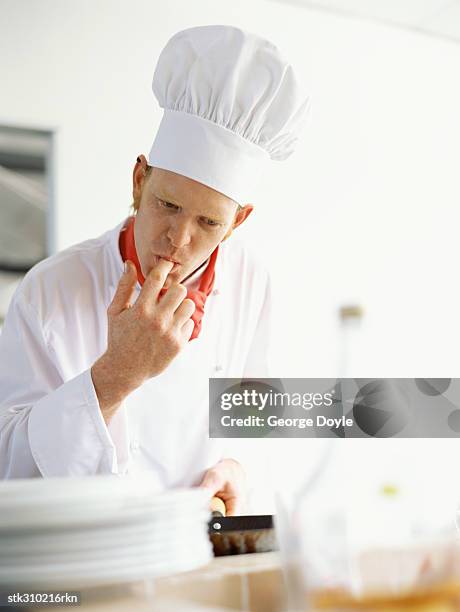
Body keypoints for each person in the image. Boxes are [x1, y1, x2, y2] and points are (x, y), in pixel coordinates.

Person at [0, 25, 309, 513]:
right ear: (139, 180)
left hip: (200, 554)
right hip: (91, 563)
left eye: (208, 222)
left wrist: (239, 467)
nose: (178, 239)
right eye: (167, 204)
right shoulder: (49, 290)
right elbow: (9, 469)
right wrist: (116, 376)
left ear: (238, 221)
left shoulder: (253, 281)